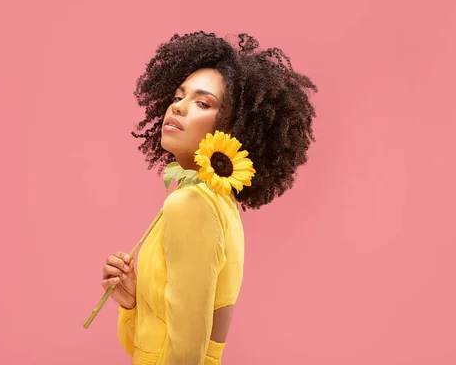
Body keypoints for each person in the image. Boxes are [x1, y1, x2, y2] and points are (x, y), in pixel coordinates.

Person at [100, 31, 317, 364]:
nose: (179, 106)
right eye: (178, 95)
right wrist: (134, 302)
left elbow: (186, 356)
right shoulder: (216, 203)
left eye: (203, 102)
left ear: (234, 128)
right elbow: (154, 347)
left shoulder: (191, 205)